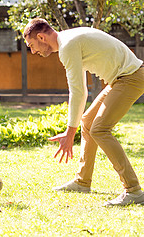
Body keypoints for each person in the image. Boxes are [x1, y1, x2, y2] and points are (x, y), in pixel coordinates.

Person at [23, 18, 144, 206]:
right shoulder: (68, 38)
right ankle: (82, 181)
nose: (33, 51)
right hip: (122, 78)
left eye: (32, 45)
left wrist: (69, 133)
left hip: (130, 77)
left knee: (100, 129)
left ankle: (133, 190)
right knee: (87, 122)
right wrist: (73, 128)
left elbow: (78, 91)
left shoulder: (67, 46)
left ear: (41, 37)